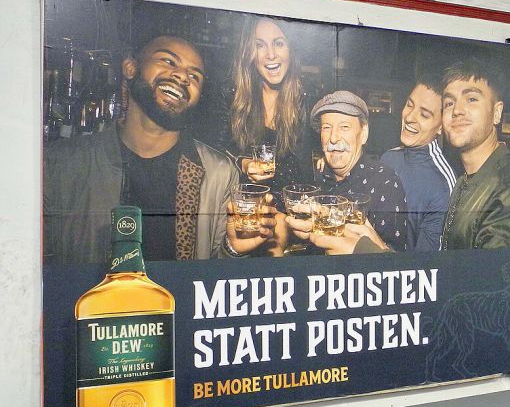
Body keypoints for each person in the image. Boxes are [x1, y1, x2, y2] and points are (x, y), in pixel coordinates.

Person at [43, 34, 276, 264]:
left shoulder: (219, 174)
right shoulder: (59, 164)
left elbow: (212, 276)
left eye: (194, 76)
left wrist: (232, 249)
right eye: (168, 61)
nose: (182, 76)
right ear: (130, 68)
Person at [226, 17, 314, 255]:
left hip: (291, 212)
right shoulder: (234, 98)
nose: (271, 55)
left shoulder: (305, 101)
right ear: (249, 53)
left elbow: (309, 172)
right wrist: (245, 163)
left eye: (279, 43)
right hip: (245, 208)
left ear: (291, 50)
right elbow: (217, 151)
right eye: (260, 45)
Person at [286, 90, 409, 253]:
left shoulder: (384, 183)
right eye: (326, 128)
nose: (333, 138)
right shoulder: (315, 176)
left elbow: (397, 261)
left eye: (344, 127)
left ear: (363, 134)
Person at [439, 57, 510, 249]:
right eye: (449, 103)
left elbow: (494, 268)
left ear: (497, 113)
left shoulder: (509, 190)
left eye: (471, 99)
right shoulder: (465, 180)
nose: (457, 110)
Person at [380, 76, 457, 251]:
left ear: (441, 126)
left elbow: (427, 263)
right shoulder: (388, 158)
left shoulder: (443, 186)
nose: (409, 117)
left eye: (424, 114)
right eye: (409, 105)